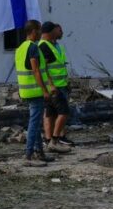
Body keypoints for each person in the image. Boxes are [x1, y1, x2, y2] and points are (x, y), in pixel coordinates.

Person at [14, 20, 53, 167]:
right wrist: (45, 90)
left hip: (25, 91)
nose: (41, 33)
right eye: (39, 30)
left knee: (35, 123)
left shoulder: (20, 48)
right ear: (34, 31)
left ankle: (39, 152)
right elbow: (36, 70)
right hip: (35, 91)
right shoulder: (33, 48)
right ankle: (29, 156)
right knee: (34, 123)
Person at [38, 22, 72, 154]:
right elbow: (44, 68)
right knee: (63, 112)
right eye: (58, 30)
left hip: (60, 84)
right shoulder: (44, 46)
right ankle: (54, 140)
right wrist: (51, 85)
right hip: (54, 87)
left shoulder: (54, 45)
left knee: (51, 113)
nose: (60, 32)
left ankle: (50, 140)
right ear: (51, 31)